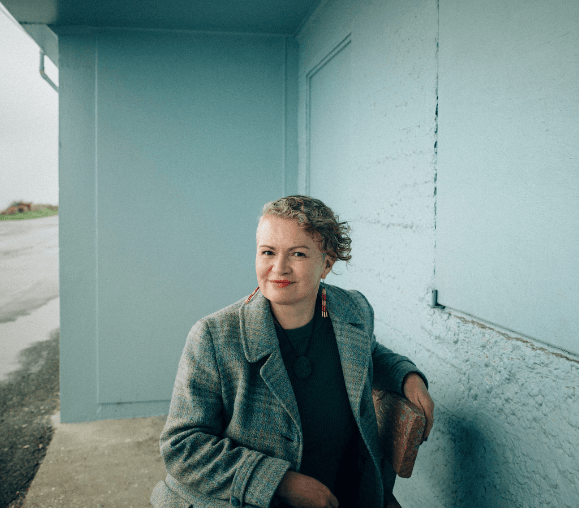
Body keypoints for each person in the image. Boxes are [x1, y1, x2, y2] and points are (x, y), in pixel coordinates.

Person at [151, 195, 434, 508]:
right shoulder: (214, 337)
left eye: (298, 253)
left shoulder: (351, 310)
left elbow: (371, 352)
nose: (279, 268)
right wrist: (280, 482)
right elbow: (182, 445)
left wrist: (407, 376)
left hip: (344, 493)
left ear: (326, 263)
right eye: (268, 252)